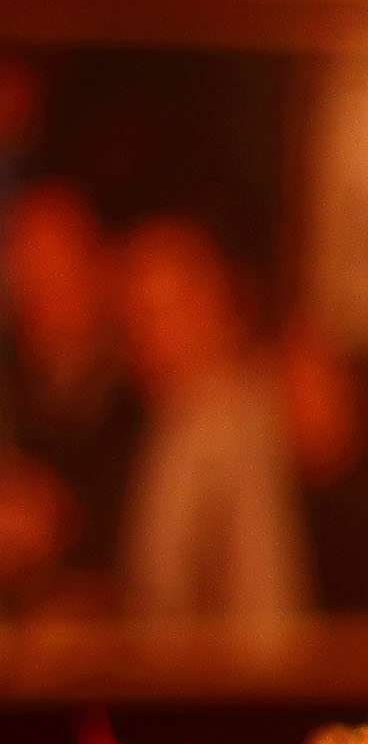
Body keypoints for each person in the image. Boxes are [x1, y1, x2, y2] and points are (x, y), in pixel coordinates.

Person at [113, 216, 309, 628]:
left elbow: (249, 603)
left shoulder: (228, 421)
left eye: (161, 313)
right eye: (134, 316)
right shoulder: (172, 418)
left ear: (215, 306)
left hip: (227, 667)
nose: (145, 337)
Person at [0, 180, 138, 599]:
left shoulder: (142, 390)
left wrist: (64, 522)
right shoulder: (13, 385)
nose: (37, 281)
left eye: (56, 261)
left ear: (100, 267)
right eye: (24, 260)